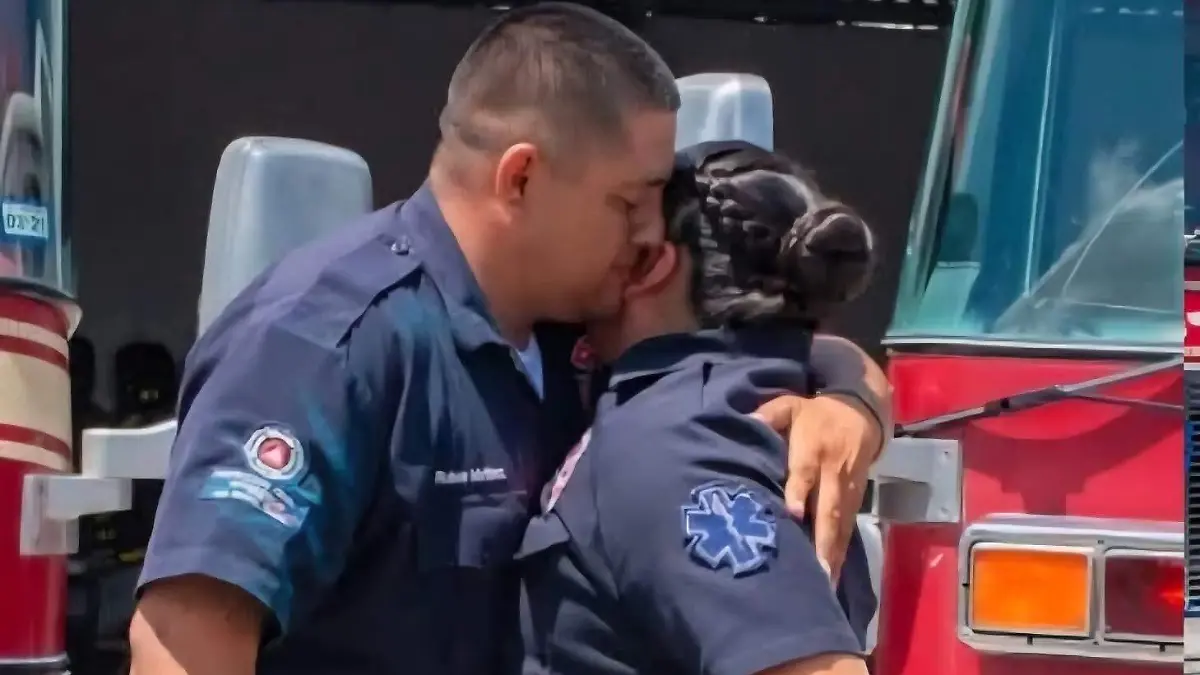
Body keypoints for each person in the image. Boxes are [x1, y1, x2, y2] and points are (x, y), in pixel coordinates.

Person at [128, 5, 890, 675]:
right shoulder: (327, 346)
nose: (642, 238)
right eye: (627, 202)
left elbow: (747, 355)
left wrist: (851, 397)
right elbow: (188, 643)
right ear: (521, 179)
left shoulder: (577, 340)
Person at [518, 142, 879, 675]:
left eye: (623, 225)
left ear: (651, 264)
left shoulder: (676, 444)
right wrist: (858, 397)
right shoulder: (761, 380)